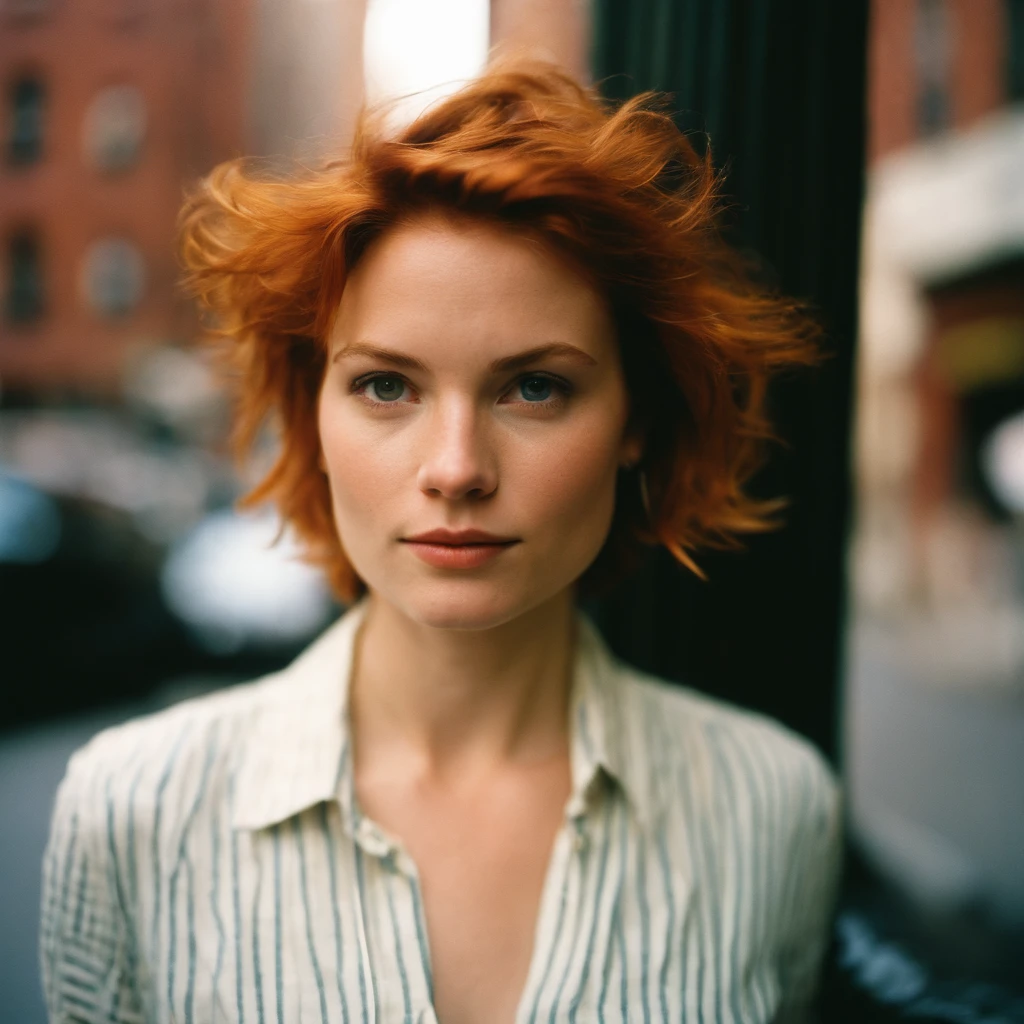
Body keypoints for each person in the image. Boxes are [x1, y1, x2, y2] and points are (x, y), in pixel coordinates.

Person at [40, 58, 842, 1024]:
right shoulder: (131, 811)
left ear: (636, 418)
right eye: (387, 386)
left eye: (534, 387)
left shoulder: (773, 808)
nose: (456, 467)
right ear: (314, 415)